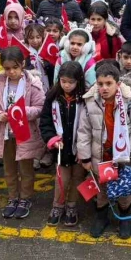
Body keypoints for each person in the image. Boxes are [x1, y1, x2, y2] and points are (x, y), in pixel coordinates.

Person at [78, 63, 131, 239]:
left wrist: (128, 150)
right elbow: (83, 132)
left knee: (123, 191)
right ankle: (101, 217)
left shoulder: (129, 102)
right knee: (101, 190)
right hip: (100, 157)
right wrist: (85, 157)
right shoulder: (90, 103)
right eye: (100, 84)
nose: (104, 88)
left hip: (122, 158)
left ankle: (124, 217)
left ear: (117, 84)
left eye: (108, 83)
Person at [0, 46, 46, 220]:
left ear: (23, 65)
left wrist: (21, 112)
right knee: (9, 169)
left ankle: (25, 198)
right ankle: (13, 197)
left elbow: (40, 108)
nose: (11, 72)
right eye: (7, 68)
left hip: (24, 134)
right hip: (4, 134)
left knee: (26, 169)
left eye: (15, 67)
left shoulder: (33, 84)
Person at [39, 62, 86, 227]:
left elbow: (89, 125)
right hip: (61, 149)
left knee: (77, 178)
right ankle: (57, 206)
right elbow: (45, 122)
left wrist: (84, 148)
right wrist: (51, 139)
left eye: (71, 82)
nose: (67, 85)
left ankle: (72, 205)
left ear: (78, 81)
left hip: (80, 148)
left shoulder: (85, 99)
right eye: (63, 81)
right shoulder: (52, 98)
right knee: (61, 179)